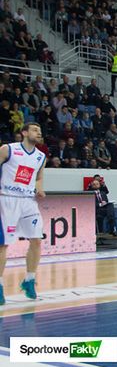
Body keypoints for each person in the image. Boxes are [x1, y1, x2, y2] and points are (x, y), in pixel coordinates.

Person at [0, 123, 47, 305]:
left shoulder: (41, 157)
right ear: (24, 133)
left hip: (28, 201)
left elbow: (39, 177)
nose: (39, 133)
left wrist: (39, 188)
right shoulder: (8, 150)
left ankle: (29, 280)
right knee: (3, 245)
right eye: (35, 130)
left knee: (36, 240)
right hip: (7, 199)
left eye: (40, 131)